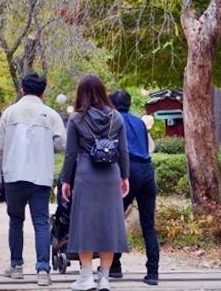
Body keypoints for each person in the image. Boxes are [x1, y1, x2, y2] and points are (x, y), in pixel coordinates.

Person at [0, 73, 66, 287]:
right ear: (43, 92)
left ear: (22, 90)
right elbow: (62, 144)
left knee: (15, 220)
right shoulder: (50, 115)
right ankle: (43, 270)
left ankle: (16, 266)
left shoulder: (9, 113)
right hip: (40, 175)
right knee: (41, 223)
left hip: (13, 175)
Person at [60, 75, 129, 291]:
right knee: (110, 225)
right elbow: (123, 151)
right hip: (110, 174)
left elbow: (70, 155)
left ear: (81, 93)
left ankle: (87, 276)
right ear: (103, 91)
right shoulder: (116, 117)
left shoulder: (76, 119)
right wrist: (124, 177)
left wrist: (65, 180)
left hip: (86, 175)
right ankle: (105, 279)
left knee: (84, 225)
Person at [108, 89, 160, 286]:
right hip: (147, 171)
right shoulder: (139, 121)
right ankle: (153, 272)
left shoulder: (113, 120)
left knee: (114, 219)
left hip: (128, 172)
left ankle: (115, 265)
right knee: (148, 224)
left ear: (111, 104)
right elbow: (146, 147)